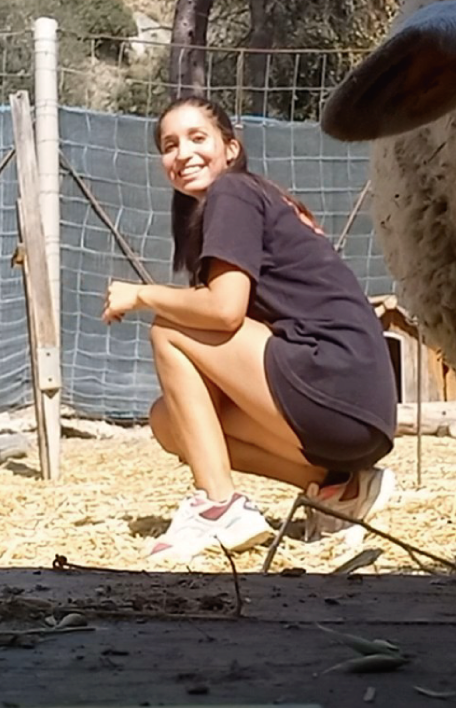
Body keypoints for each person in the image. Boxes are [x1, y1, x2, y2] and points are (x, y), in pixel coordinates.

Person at [102, 95, 400, 563]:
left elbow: (224, 312)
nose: (183, 153)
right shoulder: (249, 200)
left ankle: (219, 507)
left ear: (231, 149)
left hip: (335, 378)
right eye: (169, 144)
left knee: (168, 329)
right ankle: (339, 486)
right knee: (169, 421)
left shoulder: (234, 193)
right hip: (360, 413)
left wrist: (141, 295)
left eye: (198, 138)